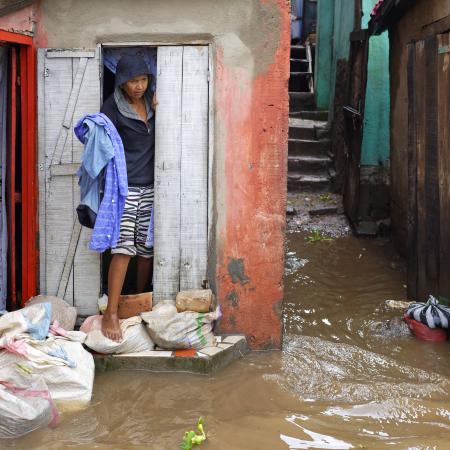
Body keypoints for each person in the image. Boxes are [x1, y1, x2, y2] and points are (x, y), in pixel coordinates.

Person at [99, 55, 156, 341]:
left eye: (143, 79)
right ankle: (111, 312)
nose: (138, 86)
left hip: (153, 186)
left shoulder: (152, 103)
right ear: (121, 82)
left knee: (146, 248)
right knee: (123, 248)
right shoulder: (112, 109)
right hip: (126, 188)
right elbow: (100, 144)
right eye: (133, 81)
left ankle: (137, 298)